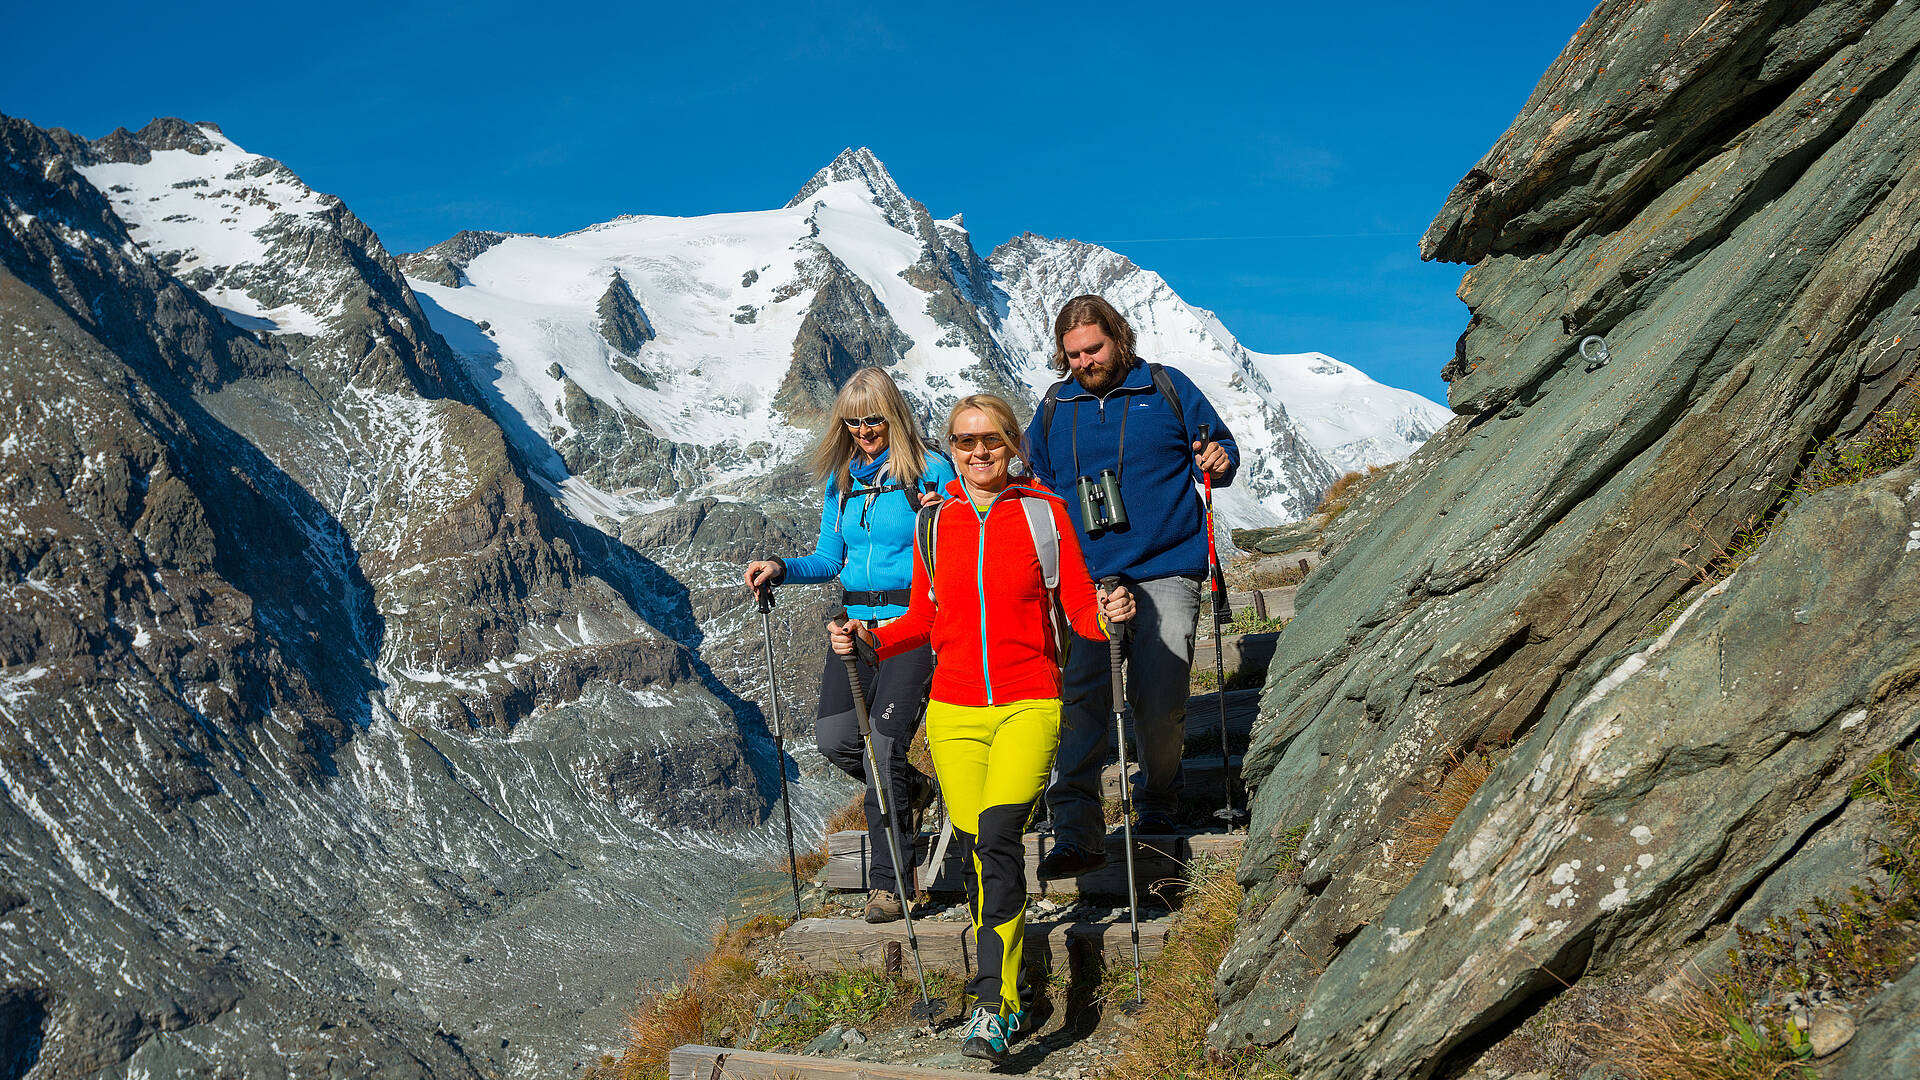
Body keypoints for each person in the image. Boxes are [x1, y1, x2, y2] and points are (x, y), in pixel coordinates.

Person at [830, 394, 1134, 1063]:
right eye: (964, 442)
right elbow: (924, 618)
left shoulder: (1044, 513)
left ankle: (992, 1007)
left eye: (989, 439)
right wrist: (867, 633)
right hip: (955, 713)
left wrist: (1111, 613)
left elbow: (1079, 607)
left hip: (1029, 702)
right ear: (951, 447)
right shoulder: (935, 524)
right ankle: (1015, 984)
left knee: (999, 836)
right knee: (973, 848)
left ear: (1012, 441)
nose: (977, 452)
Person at [1023, 294, 1239, 880]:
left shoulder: (1165, 388)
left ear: (1119, 338)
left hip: (1167, 564)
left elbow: (1223, 451)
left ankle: (1157, 800)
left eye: (1093, 349)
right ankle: (1075, 827)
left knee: (1161, 698)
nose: (1085, 362)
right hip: (1084, 577)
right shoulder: (1053, 406)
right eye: (1073, 355)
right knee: (1083, 699)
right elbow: (1031, 480)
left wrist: (1219, 458)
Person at [744, 368, 956, 924]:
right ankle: (912, 790)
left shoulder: (930, 473)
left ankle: (891, 885)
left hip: (912, 627)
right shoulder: (842, 482)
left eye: (874, 419)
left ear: (895, 417)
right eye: (853, 421)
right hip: (854, 631)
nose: (864, 430)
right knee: (837, 740)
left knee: (881, 749)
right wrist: (782, 569)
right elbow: (830, 559)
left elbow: (948, 548)